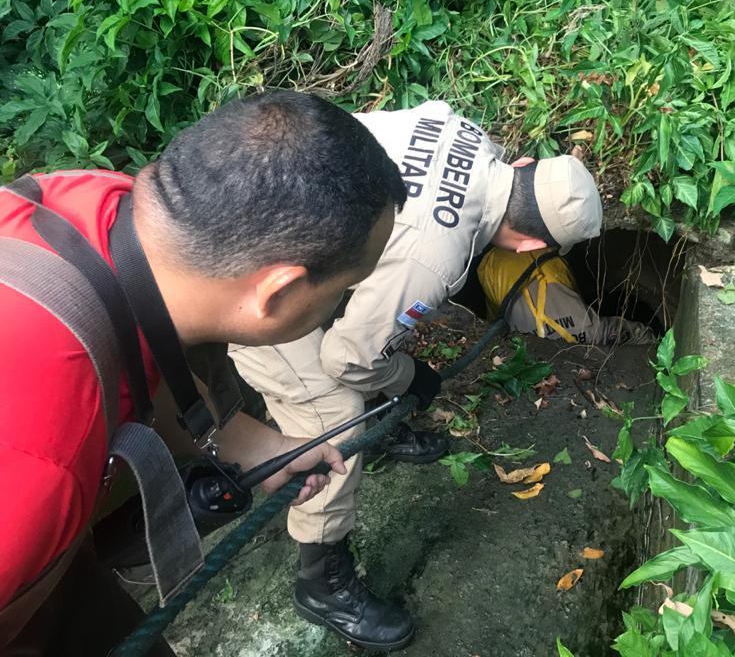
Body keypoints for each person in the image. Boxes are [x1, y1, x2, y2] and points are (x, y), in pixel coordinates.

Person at [0, 91, 407, 656]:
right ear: (279, 291)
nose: (347, 301)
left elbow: (139, 353)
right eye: (345, 289)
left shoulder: (101, 211)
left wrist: (247, 442)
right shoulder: (42, 466)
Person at [228, 100, 604, 651]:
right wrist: (411, 378)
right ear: (531, 246)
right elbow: (350, 359)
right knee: (333, 412)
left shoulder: (464, 128)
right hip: (243, 280)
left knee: (361, 330)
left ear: (523, 165)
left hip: (265, 203)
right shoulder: (438, 256)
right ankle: (320, 576)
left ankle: (383, 433)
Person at [477, 248, 656, 345]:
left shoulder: (591, 331)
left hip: (505, 262)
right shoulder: (517, 341)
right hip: (521, 263)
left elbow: (633, 334)